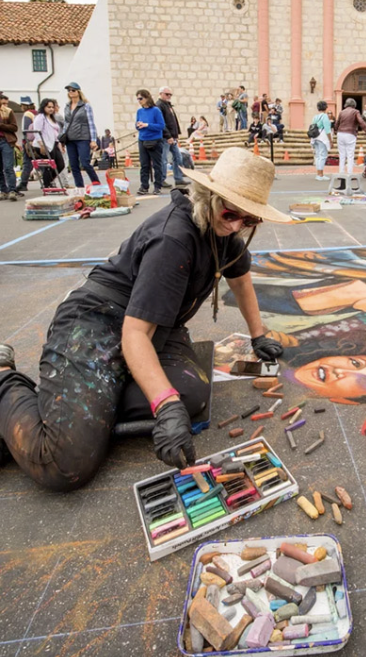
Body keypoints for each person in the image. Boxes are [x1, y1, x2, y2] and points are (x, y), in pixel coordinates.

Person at [0, 148, 290, 492]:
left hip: (154, 326)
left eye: (250, 220)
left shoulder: (222, 229)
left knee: (193, 395)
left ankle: (88, 406)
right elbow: (135, 334)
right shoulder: (174, 241)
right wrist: (164, 405)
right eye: (232, 214)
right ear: (209, 197)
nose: (237, 225)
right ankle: (6, 378)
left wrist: (258, 335)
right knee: (66, 463)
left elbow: (240, 279)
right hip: (95, 324)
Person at [62, 83, 101, 188]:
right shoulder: (67, 106)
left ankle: (96, 183)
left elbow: (91, 123)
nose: (71, 92)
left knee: (85, 163)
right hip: (70, 139)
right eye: (69, 90)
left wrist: (93, 140)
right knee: (74, 165)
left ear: (78, 91)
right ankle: (80, 188)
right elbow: (66, 124)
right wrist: (62, 139)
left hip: (83, 138)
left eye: (73, 90)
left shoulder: (85, 106)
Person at [156, 86, 189, 188]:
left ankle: (178, 179)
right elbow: (162, 123)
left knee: (178, 157)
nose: (169, 96)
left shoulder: (168, 105)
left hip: (171, 137)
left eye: (170, 94)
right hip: (165, 137)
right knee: (164, 159)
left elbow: (173, 122)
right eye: (167, 94)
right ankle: (161, 180)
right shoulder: (159, 106)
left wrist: (176, 134)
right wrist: (168, 136)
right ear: (160, 94)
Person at [333, 97, 366, 183]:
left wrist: (335, 131)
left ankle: (341, 174)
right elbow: (361, 122)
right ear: (354, 105)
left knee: (342, 155)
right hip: (350, 133)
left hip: (340, 134)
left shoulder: (341, 112)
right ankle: (349, 174)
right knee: (350, 155)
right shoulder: (355, 112)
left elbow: (337, 123)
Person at [135, 89, 165, 196]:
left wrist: (147, 125)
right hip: (142, 139)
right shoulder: (139, 111)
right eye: (138, 99)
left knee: (157, 164)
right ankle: (144, 186)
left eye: (141, 98)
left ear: (147, 98)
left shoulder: (156, 110)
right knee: (144, 164)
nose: (139, 101)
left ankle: (158, 186)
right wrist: (139, 125)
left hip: (155, 140)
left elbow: (161, 126)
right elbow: (137, 125)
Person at [30, 98, 65, 188]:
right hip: (43, 144)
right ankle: (47, 185)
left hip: (54, 143)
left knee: (61, 164)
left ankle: (49, 181)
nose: (51, 109)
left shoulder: (52, 118)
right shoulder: (40, 117)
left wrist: (59, 144)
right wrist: (41, 144)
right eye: (49, 107)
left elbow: (55, 133)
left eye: (52, 107)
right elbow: (36, 131)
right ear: (43, 107)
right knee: (49, 165)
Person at [0, 93, 20, 200]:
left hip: (5, 141)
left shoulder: (8, 111)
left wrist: (1, 125)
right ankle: (3, 190)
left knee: (8, 167)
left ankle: (12, 190)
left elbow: (14, 127)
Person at [309, 99, 333, 180]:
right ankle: (320, 174)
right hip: (322, 138)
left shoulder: (315, 117)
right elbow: (327, 129)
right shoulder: (325, 116)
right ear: (325, 107)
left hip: (315, 137)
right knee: (323, 156)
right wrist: (330, 140)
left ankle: (318, 174)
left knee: (318, 156)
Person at [16, 100, 37, 192]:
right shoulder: (37, 113)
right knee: (41, 162)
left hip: (29, 142)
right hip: (38, 141)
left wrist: (25, 142)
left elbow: (26, 129)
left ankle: (23, 183)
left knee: (27, 163)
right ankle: (47, 182)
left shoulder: (27, 114)